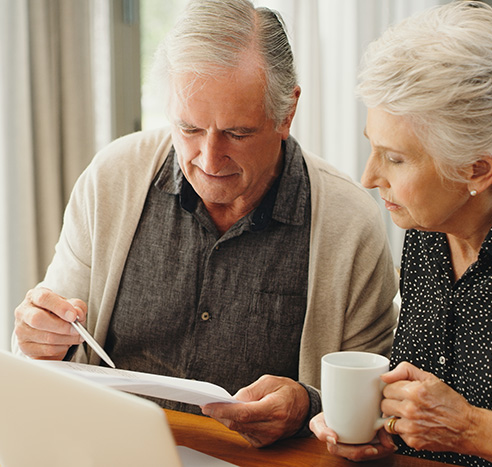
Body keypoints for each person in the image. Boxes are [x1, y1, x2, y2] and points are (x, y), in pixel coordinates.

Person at [12, 0, 398, 449]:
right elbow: (49, 350)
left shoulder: (350, 224)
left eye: (237, 133)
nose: (209, 160)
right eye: (190, 128)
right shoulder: (112, 180)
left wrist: (308, 405)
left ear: (287, 113)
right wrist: (41, 339)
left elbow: (376, 407)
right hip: (110, 448)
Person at [310, 1, 492, 466]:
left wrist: (473, 429)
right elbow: (425, 411)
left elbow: (459, 425)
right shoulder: (429, 229)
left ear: (478, 169)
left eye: (396, 158)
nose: (368, 177)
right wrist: (381, 427)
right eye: (374, 147)